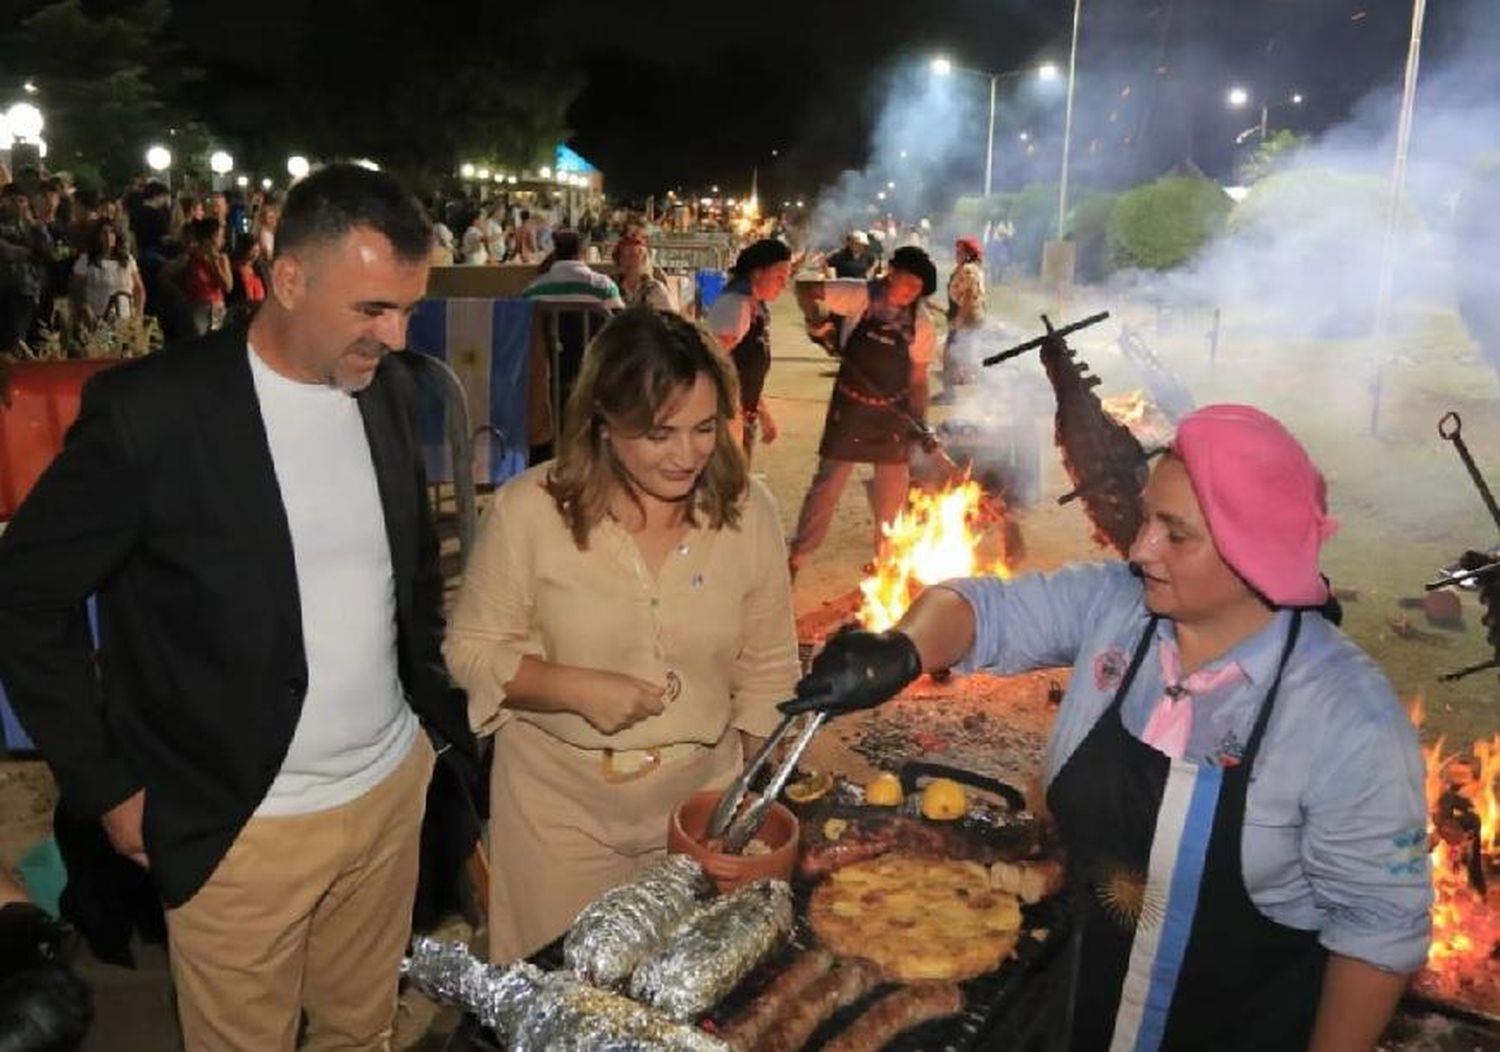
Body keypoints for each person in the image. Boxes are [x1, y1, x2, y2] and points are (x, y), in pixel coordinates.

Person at [0, 163, 475, 1051]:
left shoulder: (394, 392)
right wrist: (107, 787)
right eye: (373, 308)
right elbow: (25, 600)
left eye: (409, 307)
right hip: (238, 827)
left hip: (385, 799)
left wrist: (424, 727)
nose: (398, 333)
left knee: (361, 1032)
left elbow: (409, 574)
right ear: (287, 279)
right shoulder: (153, 414)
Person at [783, 404, 1431, 1052]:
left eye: (1175, 534)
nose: (1141, 546)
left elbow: (1379, 934)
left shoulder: (1348, 719)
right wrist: (903, 649)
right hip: (1075, 1008)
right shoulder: (1117, 608)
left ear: (1253, 551)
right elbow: (980, 609)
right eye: (1148, 517)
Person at [444, 306, 799, 961]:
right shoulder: (531, 510)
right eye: (661, 433)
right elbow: (469, 653)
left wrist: (745, 810)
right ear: (604, 423)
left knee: (684, 1006)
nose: (688, 454)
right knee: (564, 994)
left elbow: (768, 670)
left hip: (700, 809)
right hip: (560, 815)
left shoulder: (749, 513)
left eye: (704, 427)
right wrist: (574, 688)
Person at [788, 245, 937, 576]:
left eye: (918, 290)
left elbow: (918, 379)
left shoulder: (922, 324)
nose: (911, 293)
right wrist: (817, 322)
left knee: (892, 497)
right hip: (851, 407)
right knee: (827, 486)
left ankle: (887, 566)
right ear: (891, 272)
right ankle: (798, 554)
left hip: (892, 416)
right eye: (908, 284)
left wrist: (919, 422)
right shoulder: (859, 295)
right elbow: (804, 288)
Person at [704, 238, 792, 462]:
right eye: (779, 276)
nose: (784, 285)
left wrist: (762, 413)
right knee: (725, 491)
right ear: (758, 273)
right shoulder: (736, 305)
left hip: (740, 417)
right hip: (726, 422)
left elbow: (744, 369)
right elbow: (710, 365)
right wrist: (732, 422)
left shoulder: (753, 305)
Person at [935, 235, 986, 403]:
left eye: (960, 251)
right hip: (964, 316)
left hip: (966, 317)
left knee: (953, 357)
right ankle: (952, 393)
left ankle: (951, 395)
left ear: (969, 254)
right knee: (957, 356)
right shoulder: (967, 268)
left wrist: (960, 318)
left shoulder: (968, 270)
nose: (956, 254)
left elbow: (970, 296)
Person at [521, 228, 624, 311]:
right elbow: (620, 323)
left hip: (548, 337)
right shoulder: (604, 286)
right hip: (593, 337)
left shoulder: (533, 291)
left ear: (555, 254)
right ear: (583, 252)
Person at [70, 218, 145, 322]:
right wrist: (84, 308)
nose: (108, 236)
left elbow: (139, 289)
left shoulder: (127, 260)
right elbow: (76, 289)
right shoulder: (87, 260)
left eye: (111, 232)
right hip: (97, 317)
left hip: (124, 318)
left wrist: (138, 315)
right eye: (104, 233)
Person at [613, 233, 673, 312]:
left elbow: (666, 319)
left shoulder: (655, 289)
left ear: (644, 260)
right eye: (623, 256)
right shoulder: (610, 286)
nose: (628, 261)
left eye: (633, 255)